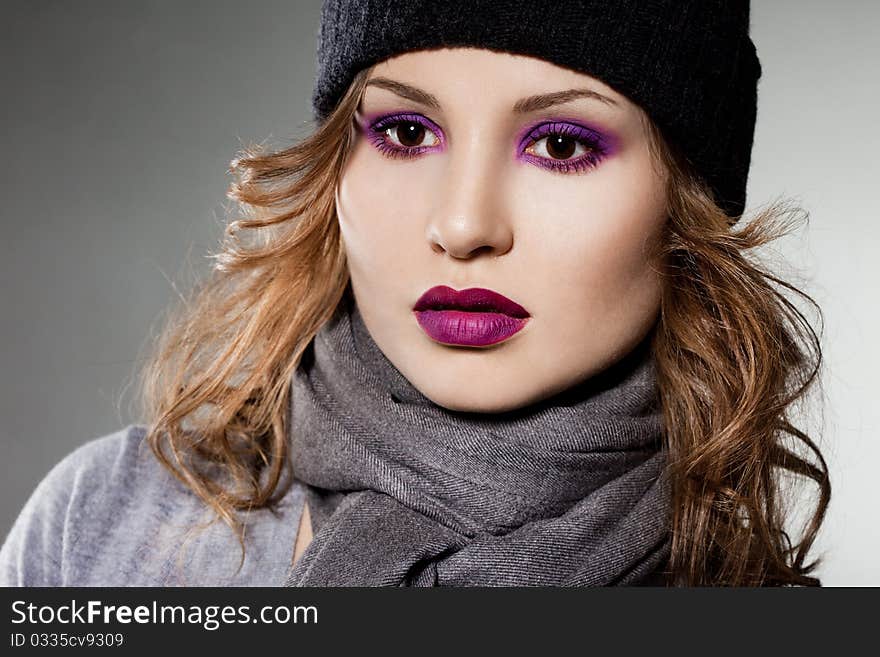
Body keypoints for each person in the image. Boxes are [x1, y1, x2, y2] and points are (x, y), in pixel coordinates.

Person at [0, 0, 830, 587]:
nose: (464, 224)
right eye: (404, 132)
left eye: (563, 143)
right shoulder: (104, 528)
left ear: (687, 208)